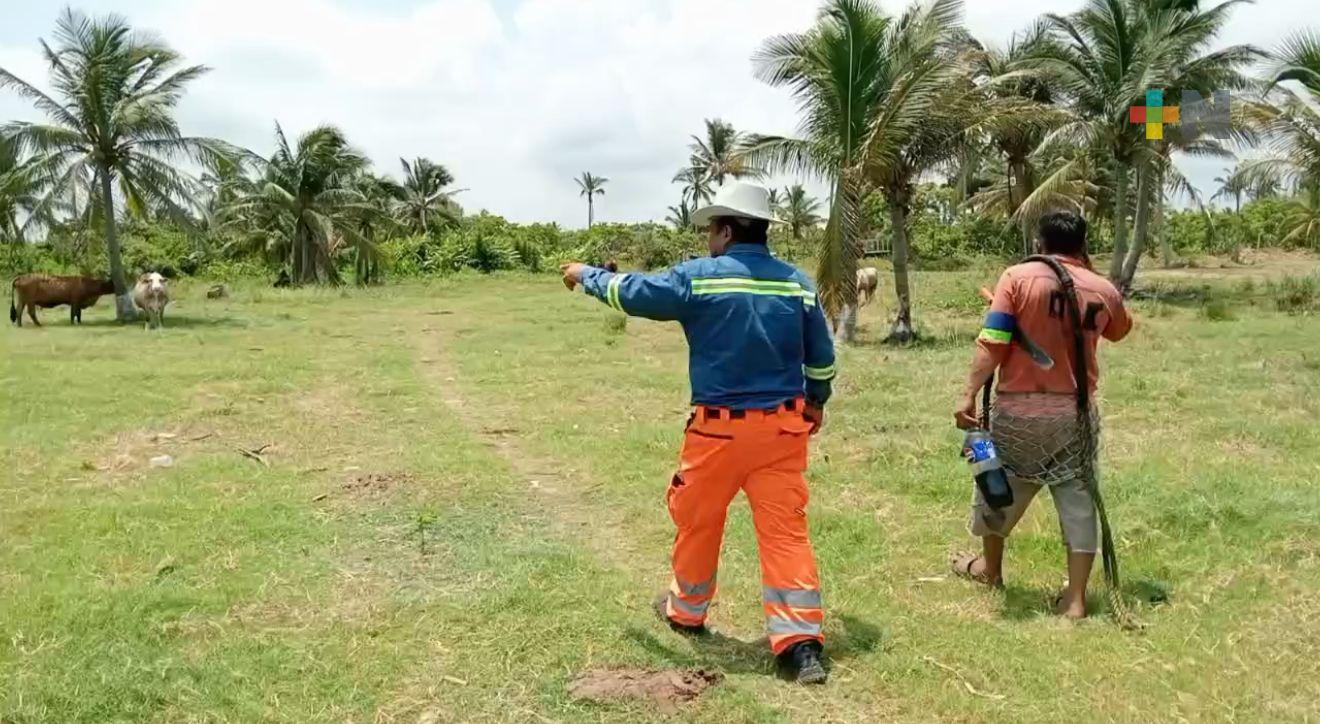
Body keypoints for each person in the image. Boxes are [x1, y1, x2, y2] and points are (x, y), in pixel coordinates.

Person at [560, 182, 836, 684]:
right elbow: (821, 357)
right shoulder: (797, 284)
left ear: (727, 230)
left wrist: (586, 276)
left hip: (718, 436)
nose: (709, 238)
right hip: (782, 432)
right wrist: (816, 402)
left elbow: (635, 293)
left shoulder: (699, 279)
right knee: (785, 534)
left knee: (697, 521)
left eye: (712, 229)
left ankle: (686, 612)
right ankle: (799, 647)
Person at [950, 211, 1133, 619]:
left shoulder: (1016, 278)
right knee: (1078, 497)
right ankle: (1076, 600)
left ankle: (991, 571)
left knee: (995, 483)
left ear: (1040, 241)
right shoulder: (1101, 287)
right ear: (1083, 244)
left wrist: (968, 395)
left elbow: (994, 341)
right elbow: (1119, 329)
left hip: (1017, 413)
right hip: (1074, 416)